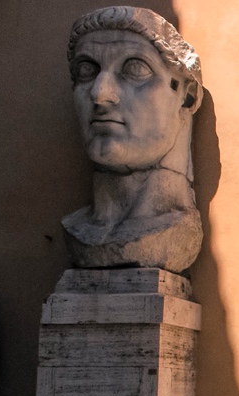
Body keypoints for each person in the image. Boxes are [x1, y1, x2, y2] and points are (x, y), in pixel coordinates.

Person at [62, 6, 205, 273]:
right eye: (86, 70)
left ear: (187, 97)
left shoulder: (174, 230)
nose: (100, 94)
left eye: (135, 69)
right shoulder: (75, 229)